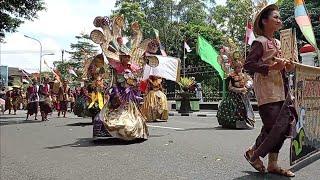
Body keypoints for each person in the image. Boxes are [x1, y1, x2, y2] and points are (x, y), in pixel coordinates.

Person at [243, 4, 296, 177]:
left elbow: (286, 68)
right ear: (265, 21)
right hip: (267, 91)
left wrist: (289, 65)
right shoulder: (260, 42)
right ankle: (253, 152)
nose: (279, 20)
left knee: (285, 125)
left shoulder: (281, 43)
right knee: (273, 125)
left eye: (280, 17)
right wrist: (271, 67)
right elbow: (248, 64)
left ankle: (272, 163)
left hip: (283, 89)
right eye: (276, 17)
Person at [217, 61, 255, 129]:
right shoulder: (231, 76)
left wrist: (247, 86)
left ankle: (246, 122)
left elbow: (250, 82)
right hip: (233, 95)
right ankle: (235, 123)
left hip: (243, 95)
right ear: (234, 68)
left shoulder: (244, 75)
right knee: (236, 108)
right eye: (237, 67)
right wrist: (239, 90)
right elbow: (230, 87)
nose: (239, 69)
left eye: (240, 67)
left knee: (245, 108)